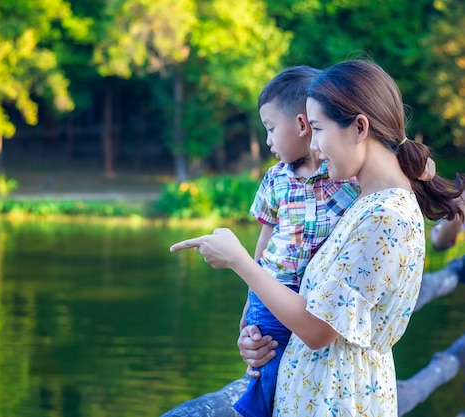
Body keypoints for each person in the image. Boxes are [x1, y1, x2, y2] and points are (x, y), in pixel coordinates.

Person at [170, 60, 465, 416]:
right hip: (320, 396)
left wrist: (239, 260)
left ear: (359, 128)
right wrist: (258, 334)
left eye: (320, 129)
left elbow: (317, 330)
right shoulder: (368, 204)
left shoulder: (383, 218)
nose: (316, 147)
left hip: (335, 402)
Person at [233, 65, 361, 417]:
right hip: (275, 288)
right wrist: (251, 294)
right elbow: (266, 235)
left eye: (271, 129)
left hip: (317, 298)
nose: (268, 141)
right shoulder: (276, 179)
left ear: (303, 125)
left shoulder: (345, 177)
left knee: (309, 368)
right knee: (268, 360)